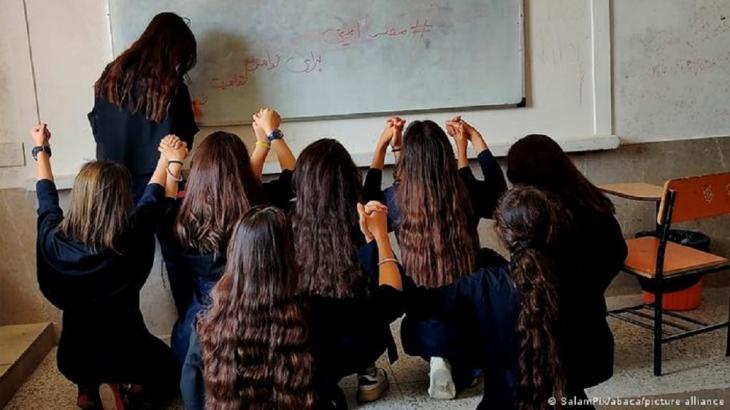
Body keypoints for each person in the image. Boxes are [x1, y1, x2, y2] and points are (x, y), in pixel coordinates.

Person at [362, 186, 567, 409]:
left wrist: (380, 242)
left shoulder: (485, 285)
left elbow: (411, 300)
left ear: (501, 231)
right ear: (551, 227)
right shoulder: (576, 277)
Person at [32, 123, 188, 409]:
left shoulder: (53, 239)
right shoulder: (130, 237)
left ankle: (87, 389)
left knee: (89, 354)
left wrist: (41, 148)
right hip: (127, 351)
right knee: (170, 371)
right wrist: (167, 160)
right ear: (121, 201)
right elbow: (156, 198)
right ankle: (133, 386)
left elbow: (46, 197)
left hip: (75, 356)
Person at [363, 117, 506, 399]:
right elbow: (499, 194)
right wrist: (474, 139)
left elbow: (367, 204)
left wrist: (382, 146)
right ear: (446, 153)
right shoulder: (466, 191)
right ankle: (465, 363)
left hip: (422, 323)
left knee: (420, 314)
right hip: (471, 313)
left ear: (408, 160)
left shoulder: (396, 199)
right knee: (488, 267)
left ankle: (439, 356)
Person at [162, 108, 296, 364]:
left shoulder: (182, 217)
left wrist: (172, 162)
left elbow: (167, 200)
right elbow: (293, 178)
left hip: (200, 332)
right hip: (258, 325)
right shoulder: (258, 207)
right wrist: (271, 135)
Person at [504, 134, 627, 405]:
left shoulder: (541, 224)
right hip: (593, 342)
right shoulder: (594, 203)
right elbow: (618, 254)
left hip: (554, 350)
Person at [291, 139, 398, 406]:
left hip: (303, 349)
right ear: (350, 183)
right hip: (356, 342)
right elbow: (394, 299)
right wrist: (378, 239)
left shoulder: (287, 225)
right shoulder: (359, 226)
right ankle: (368, 372)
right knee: (376, 298)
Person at [89, 11, 198, 201]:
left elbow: (98, 128)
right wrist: (190, 115)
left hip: (108, 184)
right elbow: (182, 146)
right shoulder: (173, 89)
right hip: (157, 187)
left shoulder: (110, 79)